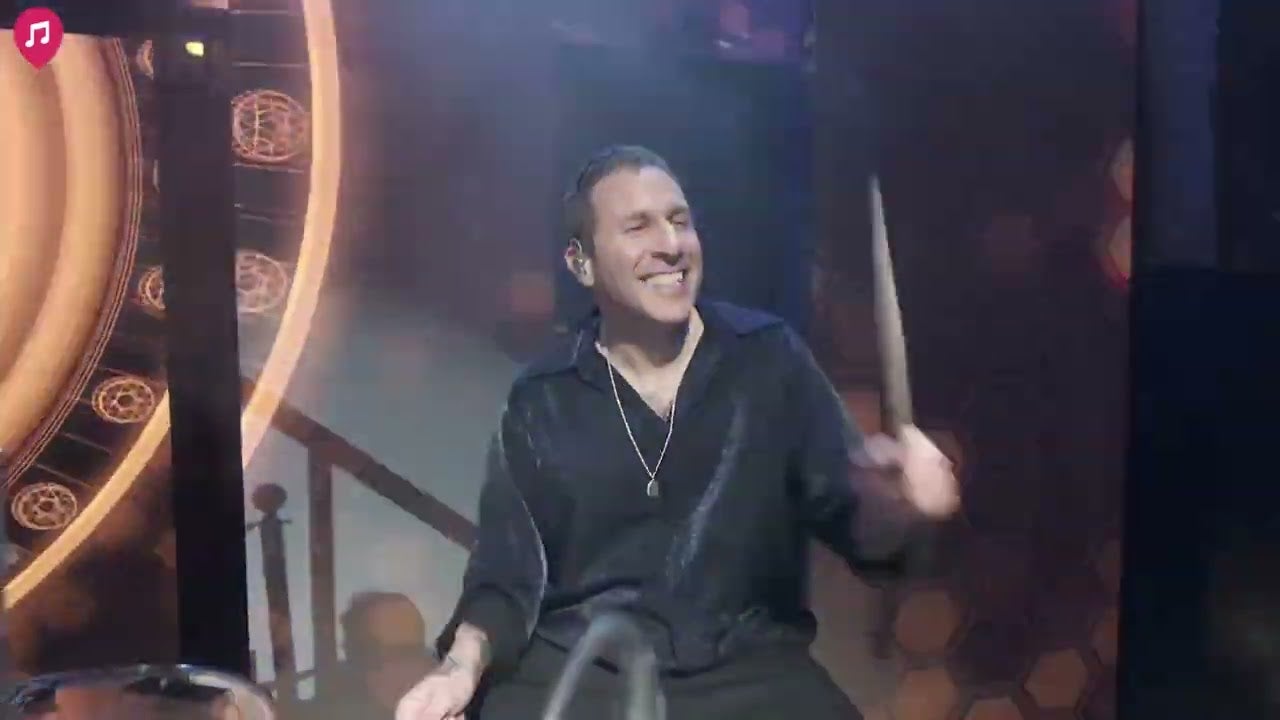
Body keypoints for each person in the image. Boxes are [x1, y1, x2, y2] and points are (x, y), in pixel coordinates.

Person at [397, 145, 960, 720]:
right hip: (581, 673)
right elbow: (504, 577)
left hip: (748, 672)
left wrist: (901, 505)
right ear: (582, 263)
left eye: (680, 221)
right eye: (637, 227)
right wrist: (458, 670)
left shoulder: (768, 358)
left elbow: (860, 529)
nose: (671, 244)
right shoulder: (542, 398)